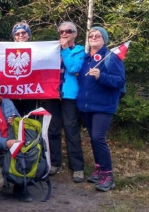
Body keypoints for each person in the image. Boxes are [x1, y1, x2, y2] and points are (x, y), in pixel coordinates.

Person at [76, 26, 125, 192]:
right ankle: (98, 169)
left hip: (103, 106)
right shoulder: (86, 58)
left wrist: (101, 76)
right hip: (86, 106)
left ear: (104, 39)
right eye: (91, 35)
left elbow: (119, 81)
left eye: (98, 35)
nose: (94, 37)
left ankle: (108, 175)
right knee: (93, 138)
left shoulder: (111, 57)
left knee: (98, 138)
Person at [45, 22, 85, 183]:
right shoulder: (52, 49)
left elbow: (74, 68)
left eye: (68, 31)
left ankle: (77, 167)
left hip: (69, 95)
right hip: (52, 94)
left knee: (71, 129)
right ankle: (55, 163)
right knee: (53, 130)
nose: (64, 34)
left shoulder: (79, 51)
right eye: (61, 31)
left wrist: (65, 49)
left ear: (75, 34)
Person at [10, 21, 38, 115]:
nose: (21, 35)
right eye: (17, 33)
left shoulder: (37, 50)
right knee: (15, 120)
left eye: (23, 33)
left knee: (30, 121)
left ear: (28, 35)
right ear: (14, 37)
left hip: (31, 92)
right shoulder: (7, 49)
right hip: (13, 92)